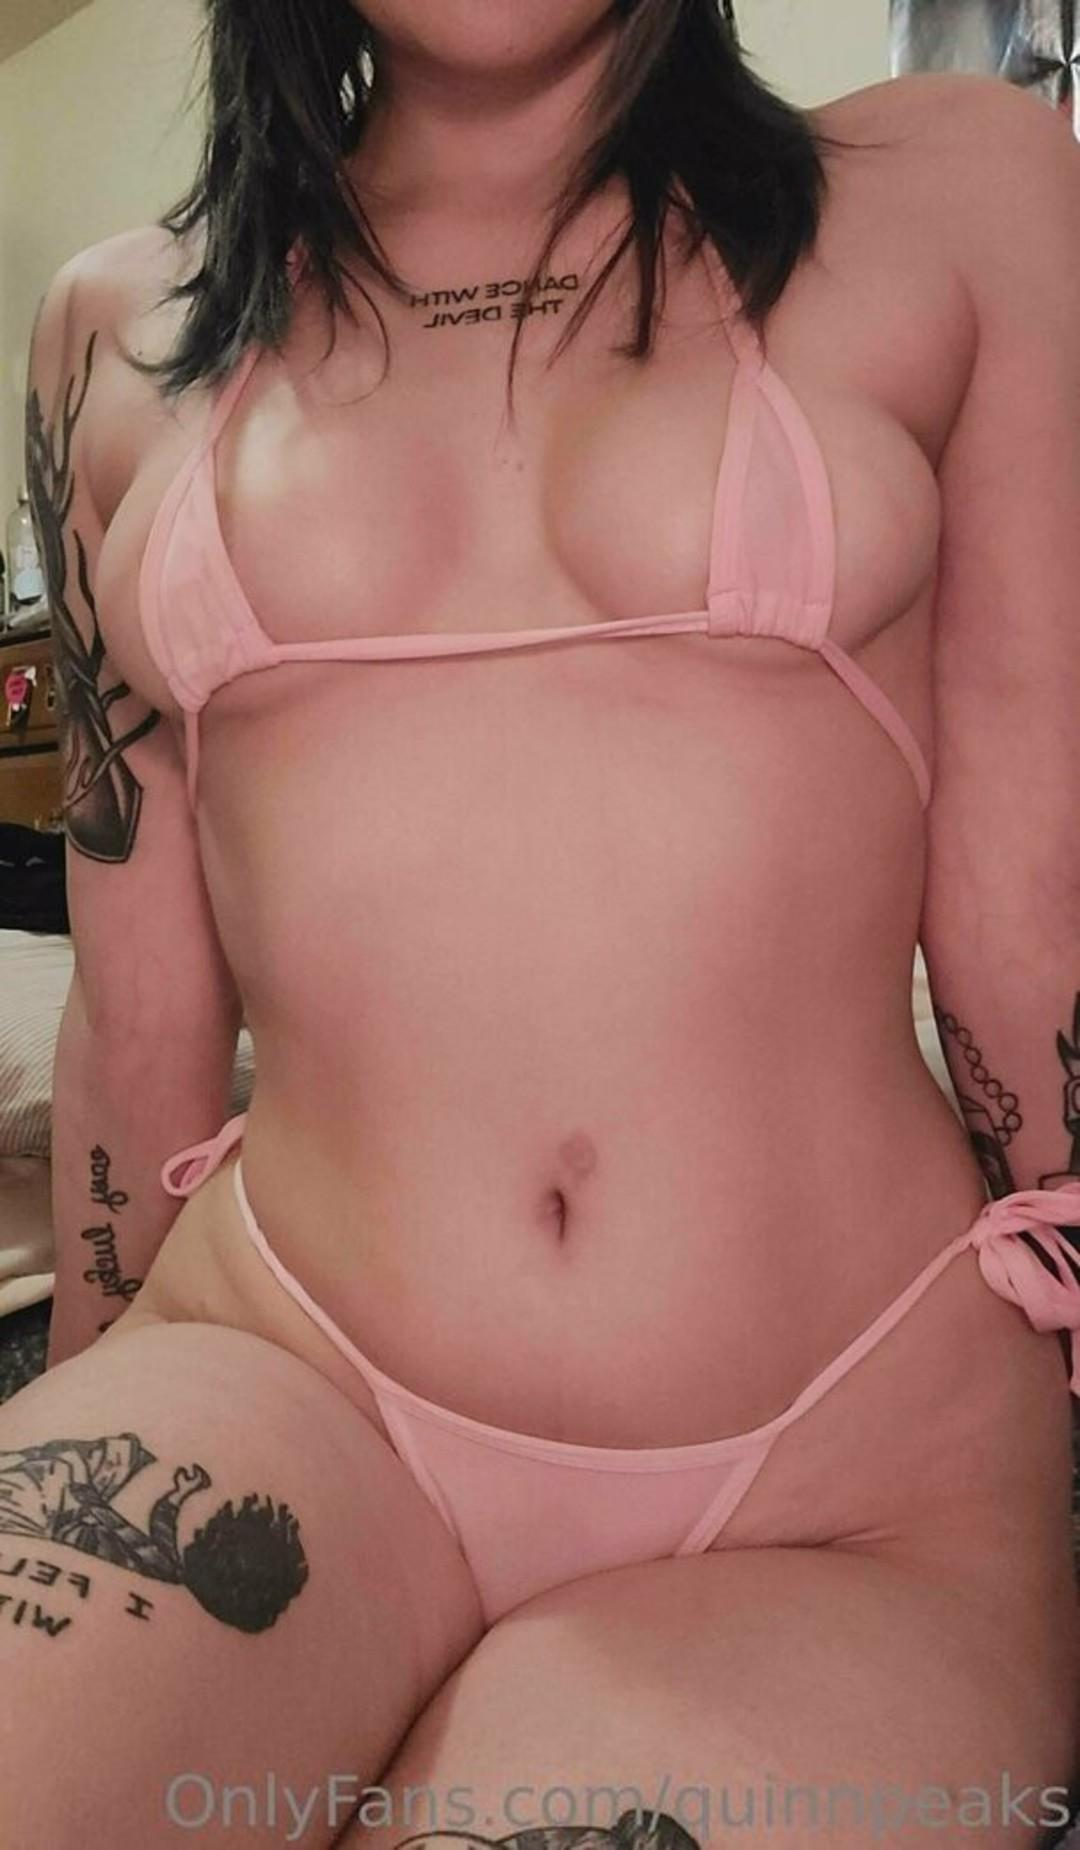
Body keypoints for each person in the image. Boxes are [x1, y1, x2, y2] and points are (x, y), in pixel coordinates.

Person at [4, 0, 1080, 1842]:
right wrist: (98, 1420)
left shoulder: (962, 189)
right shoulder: (117, 327)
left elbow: (1032, 928)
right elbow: (138, 1017)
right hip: (290, 1374)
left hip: (849, 1463)